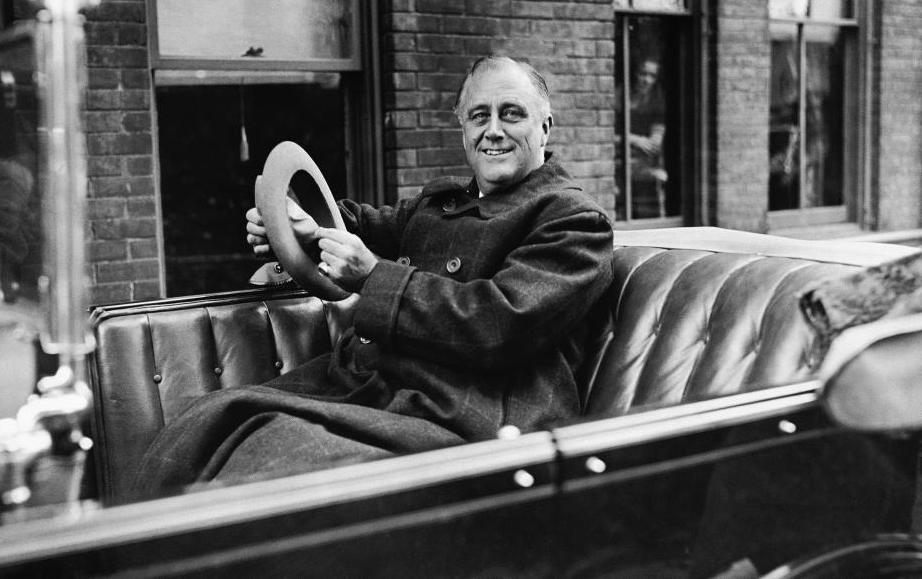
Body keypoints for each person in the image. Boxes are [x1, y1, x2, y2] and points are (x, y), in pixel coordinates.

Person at [133, 55, 614, 494]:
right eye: (478, 115)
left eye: (512, 113)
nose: (493, 131)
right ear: (463, 128)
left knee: (277, 458)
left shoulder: (571, 219)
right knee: (204, 418)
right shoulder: (439, 206)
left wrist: (371, 277)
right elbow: (359, 224)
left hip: (470, 416)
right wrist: (300, 225)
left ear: (545, 127)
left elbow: (500, 324)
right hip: (373, 388)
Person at [616, 57, 667, 219]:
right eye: (642, 74)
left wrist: (654, 140)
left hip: (643, 164)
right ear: (634, 74)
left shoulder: (656, 99)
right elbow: (608, 133)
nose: (646, 80)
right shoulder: (620, 94)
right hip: (620, 159)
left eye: (652, 76)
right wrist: (636, 140)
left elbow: (655, 141)